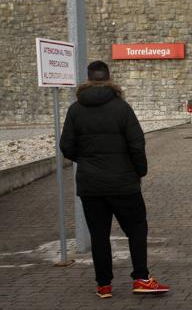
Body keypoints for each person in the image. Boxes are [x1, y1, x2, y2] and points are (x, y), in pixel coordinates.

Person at [60, 61, 169, 299]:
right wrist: (139, 171)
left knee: (99, 235)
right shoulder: (122, 108)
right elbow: (137, 143)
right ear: (110, 79)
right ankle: (141, 278)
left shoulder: (75, 110)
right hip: (123, 183)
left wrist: (86, 160)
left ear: (87, 79)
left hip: (90, 185)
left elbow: (66, 147)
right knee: (137, 229)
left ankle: (104, 285)